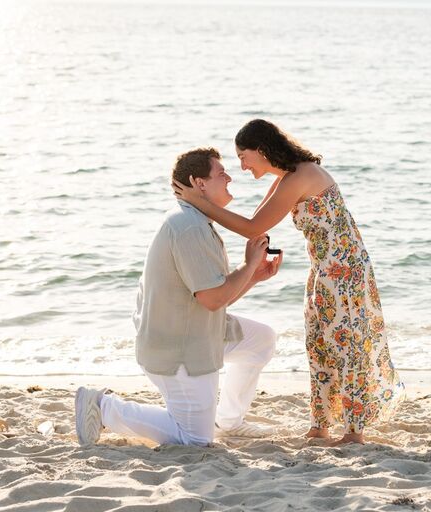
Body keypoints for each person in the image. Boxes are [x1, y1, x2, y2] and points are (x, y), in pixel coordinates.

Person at [172, 120, 405, 445]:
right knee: (319, 342)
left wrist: (201, 203)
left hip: (344, 270)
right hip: (324, 267)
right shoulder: (289, 176)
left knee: (345, 345)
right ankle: (320, 425)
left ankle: (354, 432)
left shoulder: (303, 175)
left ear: (262, 150)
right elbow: (256, 221)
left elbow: (253, 227)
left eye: (244, 156)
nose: (241, 166)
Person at [75, 147, 282, 447]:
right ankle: (103, 407)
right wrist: (249, 264)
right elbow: (212, 300)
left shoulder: (195, 221)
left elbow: (213, 298)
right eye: (221, 174)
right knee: (195, 439)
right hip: (179, 348)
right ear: (199, 183)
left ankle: (229, 420)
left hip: (200, 332)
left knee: (261, 339)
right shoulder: (188, 228)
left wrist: (253, 276)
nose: (229, 179)